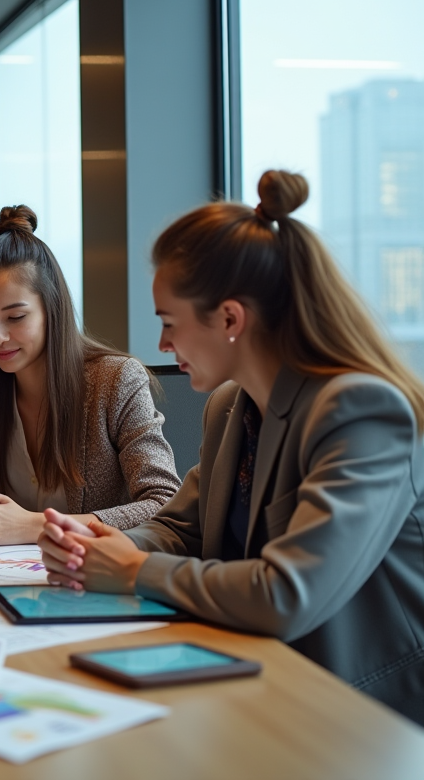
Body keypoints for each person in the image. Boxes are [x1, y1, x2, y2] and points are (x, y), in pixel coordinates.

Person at [39, 170, 424, 724]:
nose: (163, 345)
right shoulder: (230, 407)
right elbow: (185, 529)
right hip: (263, 677)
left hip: (364, 711)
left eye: (169, 323)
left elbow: (285, 596)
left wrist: (130, 571)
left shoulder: (362, 412)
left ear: (230, 319)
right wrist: (97, 543)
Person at [0, 206, 180, 549]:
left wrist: (33, 526)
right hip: (0, 579)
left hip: (94, 579)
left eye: (16, 317)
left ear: (51, 308)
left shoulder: (115, 381)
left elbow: (163, 503)